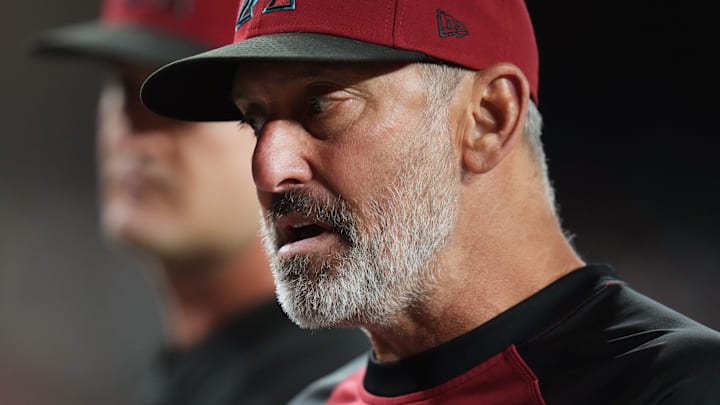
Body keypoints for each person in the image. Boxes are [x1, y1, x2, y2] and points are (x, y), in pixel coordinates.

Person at [140, 0, 720, 403]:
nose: (269, 169)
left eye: (321, 103)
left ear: (488, 119)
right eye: (254, 120)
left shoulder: (676, 388)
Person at [29, 1, 369, 404]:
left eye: (179, 104)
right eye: (125, 89)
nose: (138, 138)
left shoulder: (329, 385)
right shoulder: (197, 368)